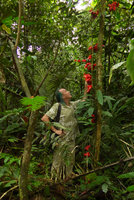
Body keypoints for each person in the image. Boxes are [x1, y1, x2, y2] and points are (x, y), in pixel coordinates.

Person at [41, 86, 87, 181]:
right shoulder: (57, 106)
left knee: (70, 159)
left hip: (71, 138)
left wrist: (87, 84)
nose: (68, 91)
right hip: (61, 139)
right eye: (66, 91)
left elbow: (84, 100)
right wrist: (55, 130)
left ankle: (67, 178)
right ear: (62, 96)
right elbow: (45, 118)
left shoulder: (72, 105)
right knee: (58, 160)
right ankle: (54, 180)